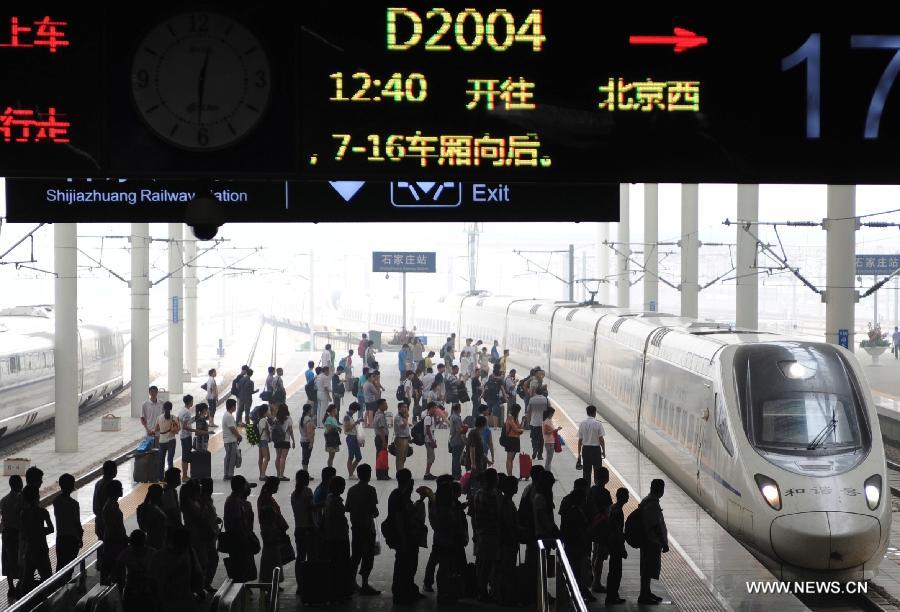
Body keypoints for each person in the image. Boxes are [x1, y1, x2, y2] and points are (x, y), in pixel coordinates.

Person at [387, 469, 425, 604]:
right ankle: (401, 592)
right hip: (404, 537)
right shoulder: (399, 496)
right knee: (405, 564)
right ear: (409, 481)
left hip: (405, 536)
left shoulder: (398, 494)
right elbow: (399, 518)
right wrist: (403, 538)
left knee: (405, 564)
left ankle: (406, 589)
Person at [148, 525, 202, 609]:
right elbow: (198, 573)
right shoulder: (189, 552)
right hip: (184, 600)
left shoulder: (158, 555)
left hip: (167, 600)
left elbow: (152, 579)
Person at [346, 464, 380, 596]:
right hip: (367, 527)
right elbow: (374, 510)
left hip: (356, 527)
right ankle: (365, 584)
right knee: (368, 557)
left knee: (355, 556)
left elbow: (347, 508)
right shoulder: (371, 490)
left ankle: (351, 583)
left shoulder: (352, 490)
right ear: (368, 475)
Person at [560, 478, 594, 601]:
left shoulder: (566, 500)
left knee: (574, 566)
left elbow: (563, 520)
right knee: (580, 567)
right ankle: (580, 591)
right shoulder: (581, 505)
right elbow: (585, 523)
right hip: (579, 541)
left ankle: (576, 590)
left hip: (569, 540)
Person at [472, 468, 501, 602]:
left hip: (481, 533)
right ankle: (483, 591)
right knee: (487, 565)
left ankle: (480, 589)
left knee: (481, 564)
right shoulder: (491, 496)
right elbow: (496, 515)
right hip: (490, 534)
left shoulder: (478, 493)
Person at [639, 479, 669, 605]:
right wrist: (664, 543)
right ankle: (644, 595)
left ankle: (647, 592)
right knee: (648, 569)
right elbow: (655, 525)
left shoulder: (647, 500)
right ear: (660, 490)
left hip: (648, 541)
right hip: (651, 542)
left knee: (648, 568)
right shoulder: (652, 504)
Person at [223, 475, 258, 582]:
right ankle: (241, 589)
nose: (249, 491)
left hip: (241, 540)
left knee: (244, 568)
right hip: (238, 541)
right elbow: (238, 525)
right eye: (247, 487)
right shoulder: (235, 503)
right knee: (241, 568)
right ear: (242, 488)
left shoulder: (238, 501)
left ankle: (243, 587)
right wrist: (246, 540)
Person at [322, 476, 352, 598]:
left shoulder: (329, 498)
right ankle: (341, 590)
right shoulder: (336, 502)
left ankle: (335, 589)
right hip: (339, 537)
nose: (344, 487)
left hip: (331, 536)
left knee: (334, 564)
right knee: (341, 564)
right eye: (343, 485)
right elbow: (339, 521)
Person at [258, 477, 291, 584]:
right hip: (271, 532)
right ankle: (269, 582)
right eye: (277, 486)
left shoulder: (265, 497)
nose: (278, 488)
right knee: (272, 558)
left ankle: (270, 581)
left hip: (269, 531)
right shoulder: (267, 499)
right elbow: (270, 517)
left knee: (271, 557)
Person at [115, 529, 157, 612]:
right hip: (148, 588)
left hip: (132, 588)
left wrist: (120, 585)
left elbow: (118, 570)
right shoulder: (153, 553)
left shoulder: (126, 553)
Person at [588, 466, 614, 593]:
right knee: (600, 556)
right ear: (607, 479)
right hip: (602, 528)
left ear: (595, 477)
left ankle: (593, 579)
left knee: (595, 553)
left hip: (592, 527)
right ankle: (596, 582)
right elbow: (608, 512)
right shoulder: (605, 493)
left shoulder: (591, 490)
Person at [496, 475, 520, 606]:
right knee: (506, 569)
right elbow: (509, 524)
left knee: (505, 569)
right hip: (508, 541)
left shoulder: (506, 501)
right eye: (515, 486)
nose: (517, 488)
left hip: (506, 540)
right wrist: (516, 533)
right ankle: (504, 596)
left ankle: (503, 594)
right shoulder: (506, 503)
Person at [52, 473, 83, 575]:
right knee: (69, 568)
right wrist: (80, 537)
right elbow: (76, 523)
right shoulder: (74, 504)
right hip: (72, 539)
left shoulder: (56, 501)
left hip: (60, 538)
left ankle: (57, 587)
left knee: (60, 566)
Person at [291, 470, 314, 595]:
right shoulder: (308, 492)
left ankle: (300, 584)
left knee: (300, 557)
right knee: (310, 557)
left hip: (298, 528)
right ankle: (309, 582)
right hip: (308, 528)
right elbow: (311, 509)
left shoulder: (294, 494)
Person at [605, 487, 629, 606]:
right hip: (615, 545)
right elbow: (617, 532)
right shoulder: (618, 511)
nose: (628, 497)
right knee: (616, 572)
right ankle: (612, 596)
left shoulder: (612, 508)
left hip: (611, 543)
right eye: (627, 495)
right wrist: (622, 548)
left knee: (612, 571)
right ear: (624, 497)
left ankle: (612, 595)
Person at [101, 480, 127, 584]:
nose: (121, 490)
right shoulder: (110, 507)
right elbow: (114, 527)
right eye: (120, 488)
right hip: (114, 542)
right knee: (117, 571)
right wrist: (124, 538)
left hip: (114, 540)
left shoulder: (112, 504)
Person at [1, 475, 23, 598]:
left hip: (6, 534)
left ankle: (11, 587)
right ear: (19, 484)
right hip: (17, 534)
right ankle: (21, 584)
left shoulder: (3, 500)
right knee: (21, 559)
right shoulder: (21, 500)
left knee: (8, 560)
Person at [93, 459, 117, 575]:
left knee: (102, 545)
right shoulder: (110, 485)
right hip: (107, 523)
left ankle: (102, 570)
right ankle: (105, 574)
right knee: (108, 548)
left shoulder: (98, 483)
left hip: (99, 521)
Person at [198, 478, 221, 592]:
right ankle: (204, 583)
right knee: (210, 559)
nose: (211, 489)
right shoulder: (202, 501)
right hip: (206, 534)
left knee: (208, 559)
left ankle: (204, 583)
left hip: (211, 533)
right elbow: (203, 518)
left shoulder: (207, 499)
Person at [578, 405, 607, 485]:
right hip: (596, 450)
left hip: (585, 450)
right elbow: (601, 439)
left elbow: (580, 440)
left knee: (586, 472)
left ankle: (586, 492)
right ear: (595, 413)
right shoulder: (598, 424)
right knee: (598, 472)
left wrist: (579, 454)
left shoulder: (582, 424)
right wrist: (603, 451)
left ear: (587, 413)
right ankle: (597, 490)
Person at [137, 485, 167, 551]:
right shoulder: (156, 509)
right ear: (160, 496)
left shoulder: (142, 508)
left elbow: (143, 527)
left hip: (150, 539)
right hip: (159, 540)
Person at [155, 401, 179, 478]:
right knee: (170, 460)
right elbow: (178, 428)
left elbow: (156, 429)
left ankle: (161, 478)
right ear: (171, 408)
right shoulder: (174, 417)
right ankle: (170, 477)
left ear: (163, 408)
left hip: (162, 441)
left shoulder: (159, 418)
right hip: (171, 440)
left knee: (161, 460)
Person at [273, 403, 295, 480]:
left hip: (277, 440)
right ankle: (281, 475)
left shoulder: (276, 418)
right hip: (285, 440)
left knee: (278, 457)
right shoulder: (288, 418)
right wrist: (293, 440)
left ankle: (278, 474)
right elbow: (290, 430)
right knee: (283, 458)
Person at [526, 385, 548, 461]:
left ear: (535, 392)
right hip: (542, 423)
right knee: (541, 439)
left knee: (534, 438)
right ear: (542, 392)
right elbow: (549, 410)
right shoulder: (545, 399)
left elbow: (528, 412)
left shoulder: (532, 400)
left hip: (534, 422)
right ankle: (540, 455)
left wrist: (529, 422)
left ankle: (534, 449)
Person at [501, 403, 524, 477]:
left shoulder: (515, 418)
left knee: (512, 459)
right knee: (509, 458)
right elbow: (516, 429)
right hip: (511, 440)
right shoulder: (510, 418)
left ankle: (510, 474)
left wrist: (523, 421)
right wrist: (521, 430)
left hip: (515, 439)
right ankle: (510, 476)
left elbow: (519, 427)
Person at [178, 395, 196, 481]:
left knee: (185, 456)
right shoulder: (187, 412)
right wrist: (194, 430)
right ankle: (184, 476)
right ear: (190, 401)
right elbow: (185, 426)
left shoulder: (182, 410)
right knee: (185, 457)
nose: (193, 402)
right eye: (192, 401)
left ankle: (185, 475)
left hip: (183, 436)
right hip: (186, 436)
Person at [344, 402, 363, 479]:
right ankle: (350, 474)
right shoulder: (347, 417)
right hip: (350, 438)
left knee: (358, 457)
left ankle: (351, 472)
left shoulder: (350, 417)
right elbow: (347, 428)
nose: (355, 412)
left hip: (354, 438)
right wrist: (356, 423)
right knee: (351, 456)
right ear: (353, 409)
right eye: (355, 410)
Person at [255, 403, 273, 481]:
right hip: (263, 440)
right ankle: (262, 475)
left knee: (261, 457)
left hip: (260, 440)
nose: (269, 412)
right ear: (265, 412)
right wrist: (269, 437)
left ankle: (261, 473)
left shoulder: (259, 419)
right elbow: (266, 430)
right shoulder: (264, 420)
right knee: (267, 457)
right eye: (268, 410)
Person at [448, 403, 465, 480]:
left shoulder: (452, 416)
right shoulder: (457, 418)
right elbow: (459, 430)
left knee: (454, 458)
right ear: (458, 408)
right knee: (457, 459)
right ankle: (458, 475)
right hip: (458, 440)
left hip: (452, 439)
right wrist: (465, 428)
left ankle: (454, 474)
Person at [394, 401, 411, 473]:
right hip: (400, 439)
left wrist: (409, 436)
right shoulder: (398, 417)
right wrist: (406, 417)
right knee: (400, 457)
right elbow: (403, 426)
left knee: (404, 456)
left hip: (405, 438)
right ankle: (399, 471)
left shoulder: (403, 416)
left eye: (406, 407)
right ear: (399, 408)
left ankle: (401, 469)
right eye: (404, 407)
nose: (406, 409)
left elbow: (406, 427)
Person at [542, 407, 562, 471]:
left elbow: (551, 431)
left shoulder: (549, 420)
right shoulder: (546, 421)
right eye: (552, 414)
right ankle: (547, 473)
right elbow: (546, 432)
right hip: (548, 442)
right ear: (549, 413)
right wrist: (555, 430)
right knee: (549, 459)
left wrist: (556, 430)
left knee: (549, 459)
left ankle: (548, 473)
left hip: (552, 441)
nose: (553, 415)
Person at [323, 403, 342, 469]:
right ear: (333, 410)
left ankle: (330, 467)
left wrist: (337, 428)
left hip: (334, 438)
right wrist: (336, 428)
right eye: (336, 410)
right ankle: (329, 468)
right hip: (331, 438)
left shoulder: (333, 418)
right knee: (331, 455)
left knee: (332, 455)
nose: (337, 411)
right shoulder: (329, 418)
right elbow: (328, 429)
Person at [299, 403, 316, 476]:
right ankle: (305, 474)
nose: (312, 410)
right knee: (306, 458)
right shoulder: (308, 420)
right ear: (309, 410)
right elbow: (309, 432)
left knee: (305, 457)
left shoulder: (301, 418)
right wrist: (311, 443)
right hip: (307, 441)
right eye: (311, 409)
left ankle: (305, 472)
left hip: (302, 439)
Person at [423, 402, 438, 480]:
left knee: (431, 457)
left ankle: (428, 473)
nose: (435, 409)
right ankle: (427, 473)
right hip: (428, 440)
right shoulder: (428, 417)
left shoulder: (432, 417)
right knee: (431, 457)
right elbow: (428, 430)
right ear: (430, 409)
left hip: (431, 439)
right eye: (434, 408)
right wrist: (432, 441)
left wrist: (434, 440)